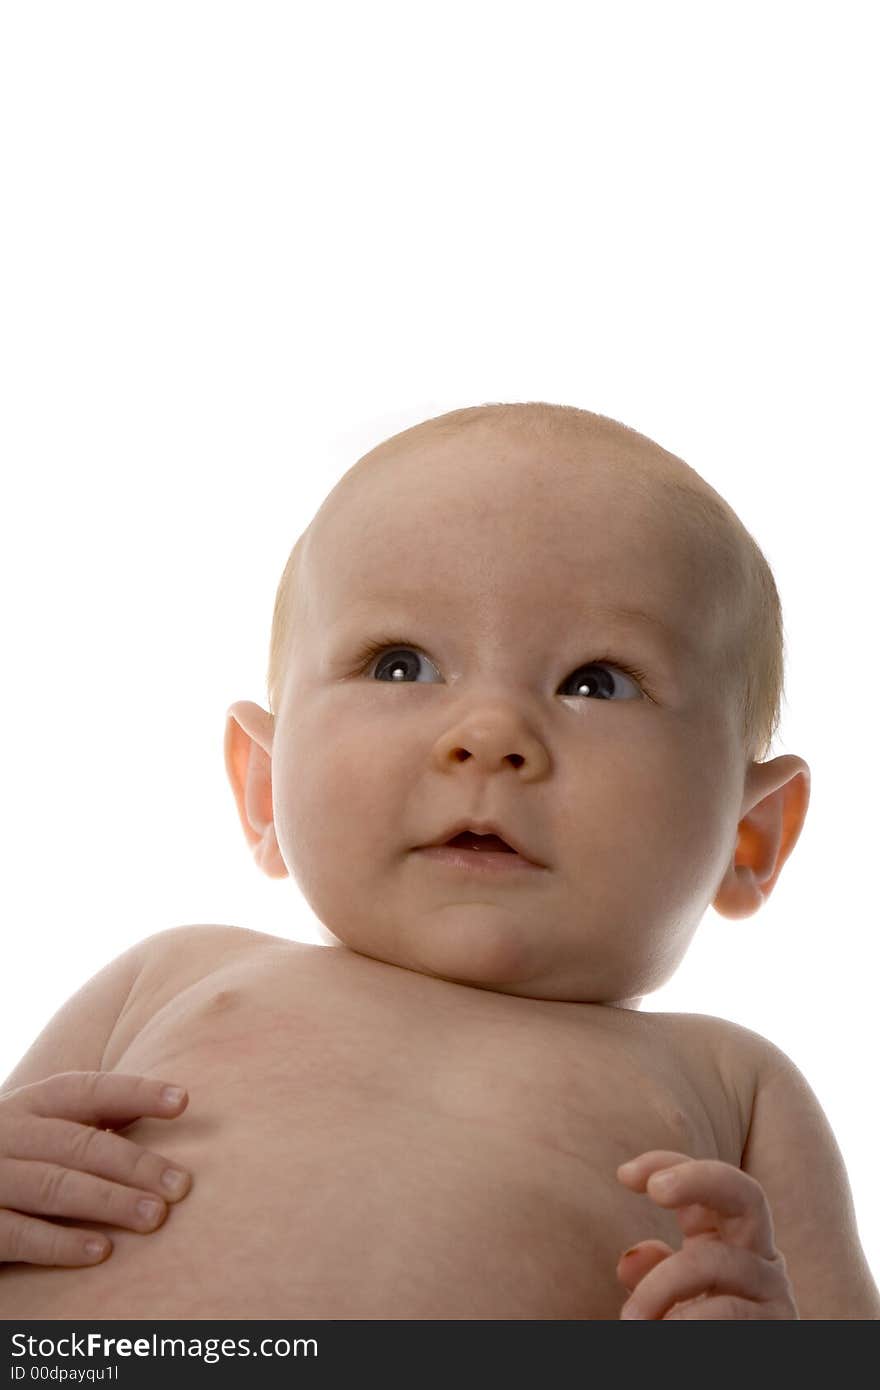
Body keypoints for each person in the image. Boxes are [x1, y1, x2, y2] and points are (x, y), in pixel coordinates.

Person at [1, 402, 877, 1320]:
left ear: (751, 837)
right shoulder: (170, 974)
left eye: (597, 682)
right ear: (264, 785)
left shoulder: (737, 1086)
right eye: (399, 665)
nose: (490, 736)